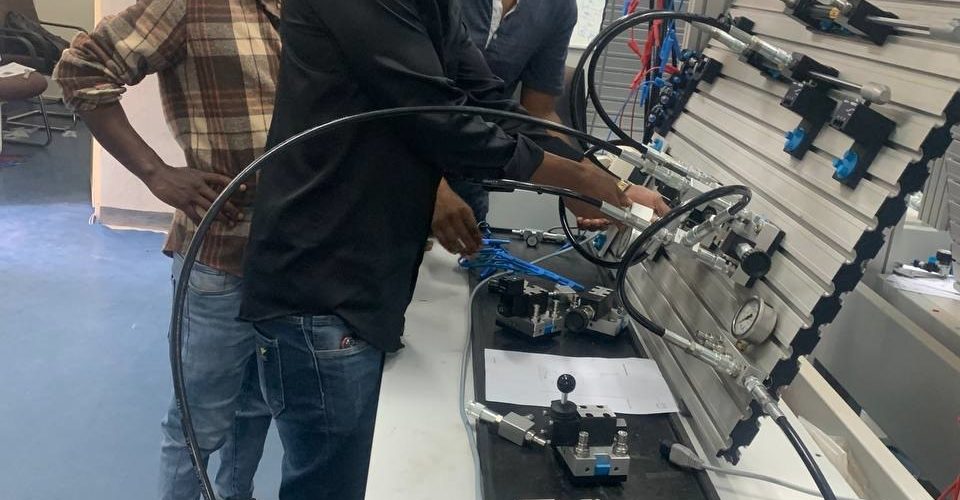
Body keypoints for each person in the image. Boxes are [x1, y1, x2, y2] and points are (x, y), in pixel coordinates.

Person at [237, 1, 630, 499]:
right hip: (320, 279)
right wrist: (574, 178)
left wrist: (606, 181)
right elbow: (437, 117)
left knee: (357, 473)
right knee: (332, 483)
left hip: (369, 271)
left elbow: (487, 102)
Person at [53, 1, 279, 498]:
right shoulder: (193, 5)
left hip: (294, 257)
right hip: (221, 257)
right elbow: (82, 68)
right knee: (197, 422)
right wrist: (155, 173)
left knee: (256, 406)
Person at [431, 0, 671, 255]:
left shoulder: (556, 7)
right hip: (408, 171)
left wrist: (613, 187)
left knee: (459, 271)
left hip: (469, 179)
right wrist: (434, 190)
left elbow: (533, 112)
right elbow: (407, 96)